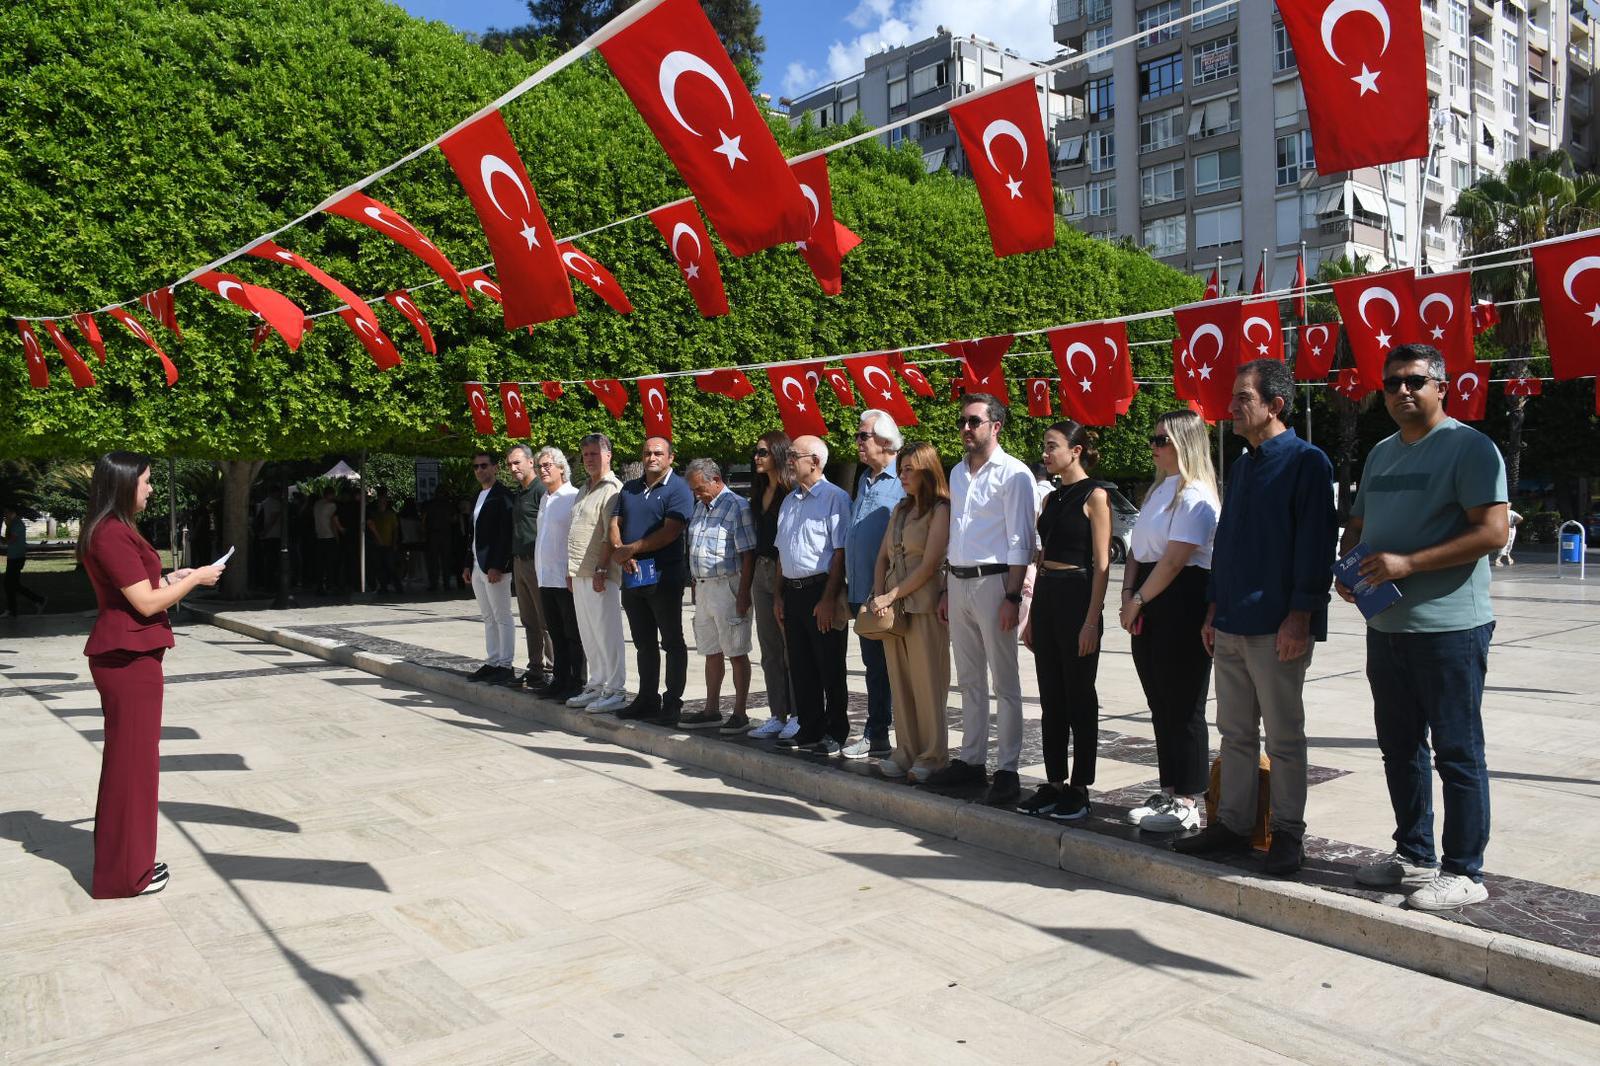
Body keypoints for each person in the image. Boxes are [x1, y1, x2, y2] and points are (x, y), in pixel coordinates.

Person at [1338, 344, 1508, 911]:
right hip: (1387, 624)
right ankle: (1414, 854)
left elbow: (1492, 532)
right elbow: (1359, 523)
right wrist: (1351, 567)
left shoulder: (1470, 448)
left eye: (1414, 380)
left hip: (1450, 627)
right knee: (1399, 748)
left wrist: (1409, 564)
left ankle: (1465, 870)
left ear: (1442, 386)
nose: (1402, 391)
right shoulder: (1381, 453)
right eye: (1391, 384)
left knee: (1457, 751)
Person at [1175, 361, 1337, 874]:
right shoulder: (1243, 464)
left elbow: (1315, 546)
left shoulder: (1307, 463)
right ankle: (1234, 824)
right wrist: (1214, 606)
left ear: (1275, 405)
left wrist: (1301, 616)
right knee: (1235, 732)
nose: (1232, 406)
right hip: (1232, 621)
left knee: (1284, 737)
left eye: (1243, 397)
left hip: (1277, 625)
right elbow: (1228, 544)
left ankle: (1288, 833)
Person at [78, 452, 224, 896]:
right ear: (124, 484)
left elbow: (141, 590)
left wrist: (173, 578)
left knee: (134, 764)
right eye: (145, 481)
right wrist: (195, 579)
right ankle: (126, 875)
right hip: (127, 658)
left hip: (132, 655)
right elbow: (144, 605)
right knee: (131, 766)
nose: (151, 488)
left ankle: (130, 862)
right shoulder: (111, 534)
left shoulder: (116, 530)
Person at [924, 394, 1036, 808]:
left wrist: (1013, 595)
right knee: (969, 680)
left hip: (994, 583)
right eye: (963, 422)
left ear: (996, 426)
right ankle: (971, 759)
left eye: (974, 421)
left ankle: (1007, 767)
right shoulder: (957, 473)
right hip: (959, 580)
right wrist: (944, 587)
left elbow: (1021, 541)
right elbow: (955, 532)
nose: (966, 429)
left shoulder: (1015, 474)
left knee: (1005, 682)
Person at [1119, 410, 1220, 833]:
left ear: (1184, 443)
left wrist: (1139, 598)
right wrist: (1128, 595)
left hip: (1181, 599)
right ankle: (1169, 787)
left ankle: (1188, 797)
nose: (1155, 447)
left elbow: (1177, 560)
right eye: (1154, 438)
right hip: (1150, 596)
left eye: (1162, 440)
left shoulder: (1197, 496)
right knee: (1160, 701)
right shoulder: (1159, 493)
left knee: (1184, 704)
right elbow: (1137, 552)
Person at [1017, 421, 1112, 822]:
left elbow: (1103, 565)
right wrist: (1033, 613)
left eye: (1052, 446)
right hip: (1048, 593)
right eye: (1044, 446)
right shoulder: (1051, 499)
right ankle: (1054, 781)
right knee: (1051, 697)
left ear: (1075, 450)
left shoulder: (1096, 496)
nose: (1045, 453)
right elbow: (1041, 557)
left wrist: (1092, 620)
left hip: (1077, 594)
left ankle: (1080, 786)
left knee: (1079, 696)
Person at [866, 441, 951, 783]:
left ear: (927, 471)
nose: (901, 475)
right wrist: (876, 594)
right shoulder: (900, 510)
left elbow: (930, 565)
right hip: (893, 608)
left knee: (928, 684)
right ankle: (906, 751)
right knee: (900, 683)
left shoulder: (941, 510)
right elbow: (883, 556)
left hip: (923, 605)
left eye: (908, 469)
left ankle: (933, 755)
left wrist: (890, 595)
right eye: (901, 469)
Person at [774, 434, 852, 755]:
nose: (789, 461)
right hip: (792, 592)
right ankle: (809, 727)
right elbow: (782, 550)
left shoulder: (835, 498)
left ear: (815, 462)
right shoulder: (789, 500)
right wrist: (778, 596)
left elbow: (839, 551)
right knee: (801, 664)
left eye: (795, 455)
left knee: (829, 664)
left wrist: (830, 598)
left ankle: (835, 730)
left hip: (821, 589)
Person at [611, 436, 694, 725]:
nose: (651, 457)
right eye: (647, 452)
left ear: (670, 458)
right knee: (643, 642)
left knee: (671, 641)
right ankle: (647, 698)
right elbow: (614, 523)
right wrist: (622, 553)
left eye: (658, 453)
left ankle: (672, 702)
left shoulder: (679, 489)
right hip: (633, 578)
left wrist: (632, 549)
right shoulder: (630, 488)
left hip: (664, 577)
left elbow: (671, 532)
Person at [842, 409, 905, 759]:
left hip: (889, 595)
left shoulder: (903, 480)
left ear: (884, 439)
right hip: (862, 592)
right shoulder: (865, 480)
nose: (858, 443)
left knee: (893, 670)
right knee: (874, 669)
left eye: (863, 436)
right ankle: (877, 733)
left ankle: (889, 733)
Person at [684, 458, 758, 731]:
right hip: (703, 586)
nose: (697, 494)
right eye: (694, 489)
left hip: (728, 585)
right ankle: (711, 709)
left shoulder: (737, 506)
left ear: (716, 480)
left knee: (736, 650)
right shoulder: (700, 507)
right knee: (710, 650)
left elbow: (748, 554)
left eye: (700, 488)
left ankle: (740, 712)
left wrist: (743, 594)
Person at [566, 434, 628, 713]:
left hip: (600, 572)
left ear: (608, 455)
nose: (589, 459)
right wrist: (570, 570)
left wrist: (602, 568)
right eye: (585, 455)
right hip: (579, 571)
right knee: (589, 632)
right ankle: (597, 683)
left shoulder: (613, 488)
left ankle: (616, 688)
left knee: (607, 633)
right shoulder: (583, 488)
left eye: (594, 454)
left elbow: (608, 534)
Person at [745, 432, 800, 742]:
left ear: (778, 453)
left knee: (792, 649)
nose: (757, 457)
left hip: (785, 571)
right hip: (761, 571)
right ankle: (777, 713)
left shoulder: (789, 491)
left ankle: (797, 713)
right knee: (769, 649)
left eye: (763, 452)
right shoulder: (759, 491)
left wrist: (779, 588)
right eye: (756, 452)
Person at [531, 447, 584, 700]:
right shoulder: (545, 498)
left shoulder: (573, 496)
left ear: (561, 468)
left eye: (547, 465)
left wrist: (572, 570)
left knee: (572, 632)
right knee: (555, 631)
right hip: (546, 576)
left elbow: (576, 538)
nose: (542, 470)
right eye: (539, 466)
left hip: (565, 577)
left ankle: (576, 681)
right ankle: (560, 678)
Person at [462, 451, 516, 683]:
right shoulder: (478, 496)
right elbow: (472, 533)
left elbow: (505, 534)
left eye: (484, 465)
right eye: (475, 467)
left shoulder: (504, 496)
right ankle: (493, 660)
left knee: (502, 615)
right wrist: (467, 563)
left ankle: (506, 664)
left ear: (495, 467)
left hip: (494, 567)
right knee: (487, 616)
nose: (479, 470)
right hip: (476, 564)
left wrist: (498, 565)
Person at [505, 444, 555, 690]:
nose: (513, 468)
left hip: (537, 561)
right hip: (520, 561)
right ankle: (535, 667)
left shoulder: (540, 490)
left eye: (517, 463)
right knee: (528, 619)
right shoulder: (520, 492)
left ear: (529, 462)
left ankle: (552, 668)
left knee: (544, 618)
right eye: (509, 464)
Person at [4, 507, 46, 617]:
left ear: (13, 513)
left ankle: (38, 600)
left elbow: (12, 539)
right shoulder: (14, 523)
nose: (5, 515)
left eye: (7, 513)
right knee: (11, 584)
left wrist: (6, 534)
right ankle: (13, 610)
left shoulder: (17, 524)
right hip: (13, 557)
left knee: (10, 584)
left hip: (16, 558)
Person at [423, 490, 457, 592]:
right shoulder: (449, 505)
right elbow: (454, 519)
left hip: (433, 534)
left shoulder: (429, 504)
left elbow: (423, 519)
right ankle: (446, 584)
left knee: (433, 561)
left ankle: (434, 584)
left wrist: (424, 531)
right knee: (446, 560)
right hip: (446, 535)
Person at [365, 496, 400, 593]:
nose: (381, 504)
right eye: (380, 502)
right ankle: (383, 586)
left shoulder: (391, 514)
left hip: (388, 544)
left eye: (383, 502)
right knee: (379, 566)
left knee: (390, 566)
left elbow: (395, 530)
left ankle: (398, 586)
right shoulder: (374, 514)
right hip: (376, 545)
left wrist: (395, 542)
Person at [312, 486, 342, 594]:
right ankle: (330, 585)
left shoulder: (317, 504)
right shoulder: (331, 506)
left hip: (319, 537)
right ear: (330, 494)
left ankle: (320, 585)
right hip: (329, 537)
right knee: (330, 563)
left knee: (320, 564)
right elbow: (334, 522)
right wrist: (338, 535)